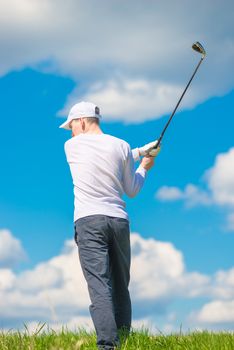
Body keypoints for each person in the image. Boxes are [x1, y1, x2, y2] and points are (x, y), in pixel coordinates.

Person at [60, 101, 160, 350]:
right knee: (119, 284)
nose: (70, 132)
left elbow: (100, 151)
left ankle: (108, 345)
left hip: (89, 221)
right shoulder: (122, 146)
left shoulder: (71, 145)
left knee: (99, 283)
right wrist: (144, 165)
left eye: (71, 126)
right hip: (118, 221)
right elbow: (132, 190)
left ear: (81, 122)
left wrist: (139, 153)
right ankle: (124, 339)